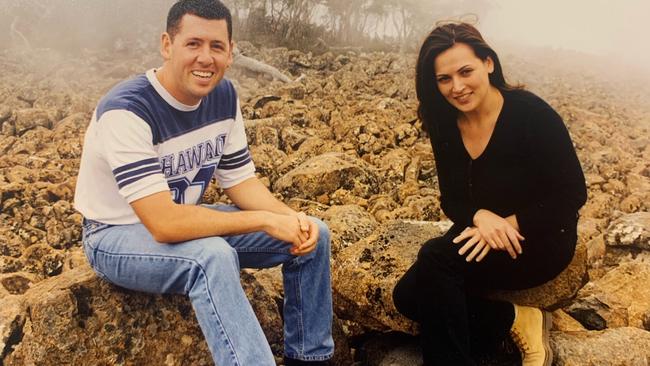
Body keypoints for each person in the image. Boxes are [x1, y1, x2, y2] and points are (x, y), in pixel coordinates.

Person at [73, 1, 333, 365]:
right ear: (167, 45)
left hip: (184, 220)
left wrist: (291, 221)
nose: (205, 58)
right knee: (212, 257)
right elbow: (164, 224)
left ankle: (310, 358)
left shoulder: (223, 97)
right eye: (193, 44)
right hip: (113, 235)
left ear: (230, 53)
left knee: (314, 234)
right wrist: (262, 220)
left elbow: (241, 182)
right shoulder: (128, 110)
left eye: (216, 46)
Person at [392, 22, 587, 366]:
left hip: (540, 238)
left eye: (466, 71)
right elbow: (452, 199)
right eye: (444, 79)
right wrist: (481, 217)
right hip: (485, 229)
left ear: (489, 63)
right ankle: (516, 319)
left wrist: (509, 223)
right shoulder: (445, 122)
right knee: (407, 296)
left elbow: (571, 194)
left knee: (435, 261)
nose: (457, 87)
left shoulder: (532, 115)